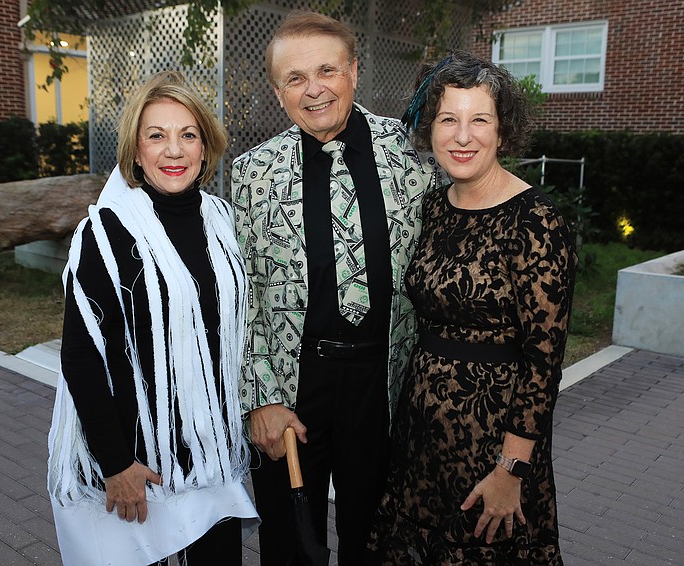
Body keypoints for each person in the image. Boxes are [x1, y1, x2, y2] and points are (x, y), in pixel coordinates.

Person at [230, 10, 436, 566]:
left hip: (384, 387)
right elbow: (240, 295)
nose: (314, 89)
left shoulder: (412, 157)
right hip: (293, 389)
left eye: (327, 70)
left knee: (377, 543)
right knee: (291, 547)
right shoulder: (253, 174)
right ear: (278, 92)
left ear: (353, 71)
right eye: (295, 78)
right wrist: (260, 399)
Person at [368, 52, 576, 564]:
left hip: (492, 443)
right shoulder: (435, 207)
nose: (463, 136)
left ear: (503, 132)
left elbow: (543, 364)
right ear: (429, 130)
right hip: (421, 436)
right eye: (448, 120)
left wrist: (512, 470)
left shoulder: (537, 221)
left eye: (479, 119)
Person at [47, 70, 257, 566]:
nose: (174, 150)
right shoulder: (106, 233)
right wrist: (116, 463)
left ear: (206, 147)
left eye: (188, 134)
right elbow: (81, 357)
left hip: (213, 464)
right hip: (144, 468)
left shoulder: (222, 220)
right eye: (156, 136)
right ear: (136, 152)